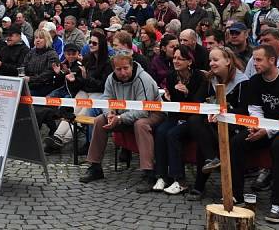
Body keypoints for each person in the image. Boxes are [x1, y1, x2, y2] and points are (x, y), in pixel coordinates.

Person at [230, 44, 279, 223]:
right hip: (263, 126)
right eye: (254, 59)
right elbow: (254, 108)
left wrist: (267, 131)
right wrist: (257, 127)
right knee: (237, 142)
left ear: (272, 60)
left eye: (258, 60)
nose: (254, 63)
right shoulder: (254, 81)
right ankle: (235, 195)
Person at [79, 52, 163, 186]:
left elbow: (143, 110)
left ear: (131, 66)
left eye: (125, 68)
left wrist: (119, 118)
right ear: (113, 69)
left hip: (152, 114)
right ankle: (95, 167)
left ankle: (149, 172)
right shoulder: (111, 79)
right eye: (118, 69)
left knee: (140, 124)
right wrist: (110, 114)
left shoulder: (143, 79)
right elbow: (106, 99)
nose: (122, 72)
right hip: (124, 115)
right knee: (100, 120)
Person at [186, 46, 249, 200]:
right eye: (210, 60)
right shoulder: (210, 79)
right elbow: (197, 101)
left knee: (203, 135)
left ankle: (202, 183)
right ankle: (210, 159)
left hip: (233, 125)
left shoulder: (242, 82)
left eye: (215, 60)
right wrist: (210, 110)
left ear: (228, 61)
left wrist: (224, 112)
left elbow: (245, 110)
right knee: (196, 122)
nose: (211, 64)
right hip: (211, 122)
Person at [43, 32, 113, 154]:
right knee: (73, 111)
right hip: (84, 90)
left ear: (101, 45)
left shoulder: (107, 63)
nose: (91, 45)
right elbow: (80, 80)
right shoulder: (87, 59)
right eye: (90, 42)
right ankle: (57, 136)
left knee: (83, 113)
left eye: (94, 43)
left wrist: (85, 78)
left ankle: (62, 141)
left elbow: (103, 85)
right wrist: (72, 78)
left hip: (98, 93)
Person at [152, 44, 207, 194]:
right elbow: (173, 102)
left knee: (172, 134)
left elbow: (199, 103)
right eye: (174, 58)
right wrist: (167, 97)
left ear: (189, 61)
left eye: (180, 59)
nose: (175, 61)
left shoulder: (199, 77)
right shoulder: (171, 76)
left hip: (193, 119)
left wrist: (187, 93)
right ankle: (162, 175)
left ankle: (179, 179)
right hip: (177, 116)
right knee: (160, 131)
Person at [22, 28, 61, 96]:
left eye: (41, 38)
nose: (38, 40)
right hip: (29, 84)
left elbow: (48, 74)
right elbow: (24, 65)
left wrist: (31, 79)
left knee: (25, 95)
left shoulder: (52, 54)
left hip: (44, 86)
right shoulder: (31, 52)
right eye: (36, 38)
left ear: (47, 40)